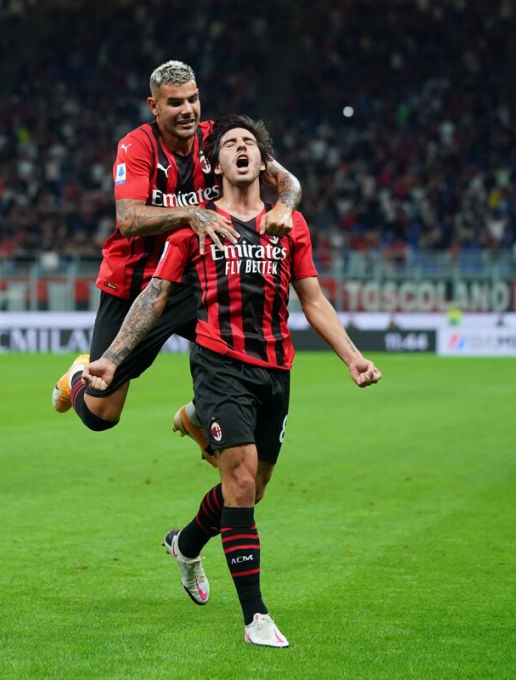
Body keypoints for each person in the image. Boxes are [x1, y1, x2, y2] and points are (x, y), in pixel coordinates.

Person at [81, 115, 381, 648]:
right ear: (215, 164)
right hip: (219, 364)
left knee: (250, 491)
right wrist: (110, 356)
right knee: (240, 482)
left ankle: (187, 543)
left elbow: (312, 300)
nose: (239, 149)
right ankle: (256, 617)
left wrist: (353, 358)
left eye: (249, 145)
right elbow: (154, 296)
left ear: (263, 164)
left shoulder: (291, 225)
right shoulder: (194, 225)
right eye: (230, 145)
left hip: (275, 368)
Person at [51, 61, 301, 466]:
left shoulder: (218, 138)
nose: (187, 110)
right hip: (132, 286)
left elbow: (289, 181)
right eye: (175, 103)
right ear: (154, 106)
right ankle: (78, 377)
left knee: (239, 355)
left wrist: (285, 208)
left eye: (193, 99)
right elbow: (129, 220)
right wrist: (191, 214)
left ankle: (200, 417)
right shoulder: (137, 147)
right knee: (102, 416)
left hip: (191, 282)